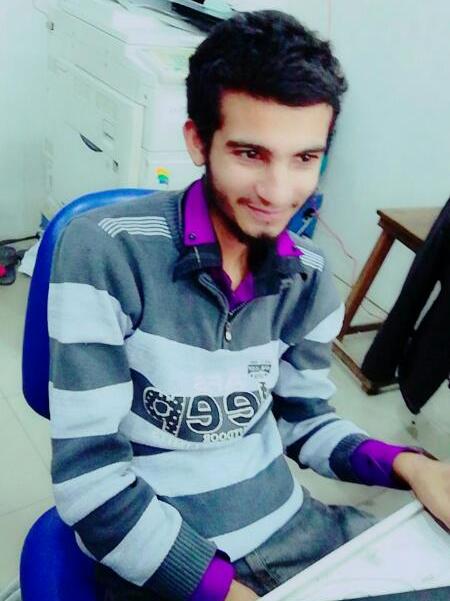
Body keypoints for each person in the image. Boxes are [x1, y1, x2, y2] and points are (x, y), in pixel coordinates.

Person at [48, 10, 450, 601]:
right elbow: (91, 481)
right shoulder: (105, 250)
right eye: (250, 153)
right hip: (163, 560)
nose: (279, 192)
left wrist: (413, 467)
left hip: (296, 532)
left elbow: (303, 419)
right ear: (197, 141)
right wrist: (224, 590)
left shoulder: (309, 277)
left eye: (304, 158)